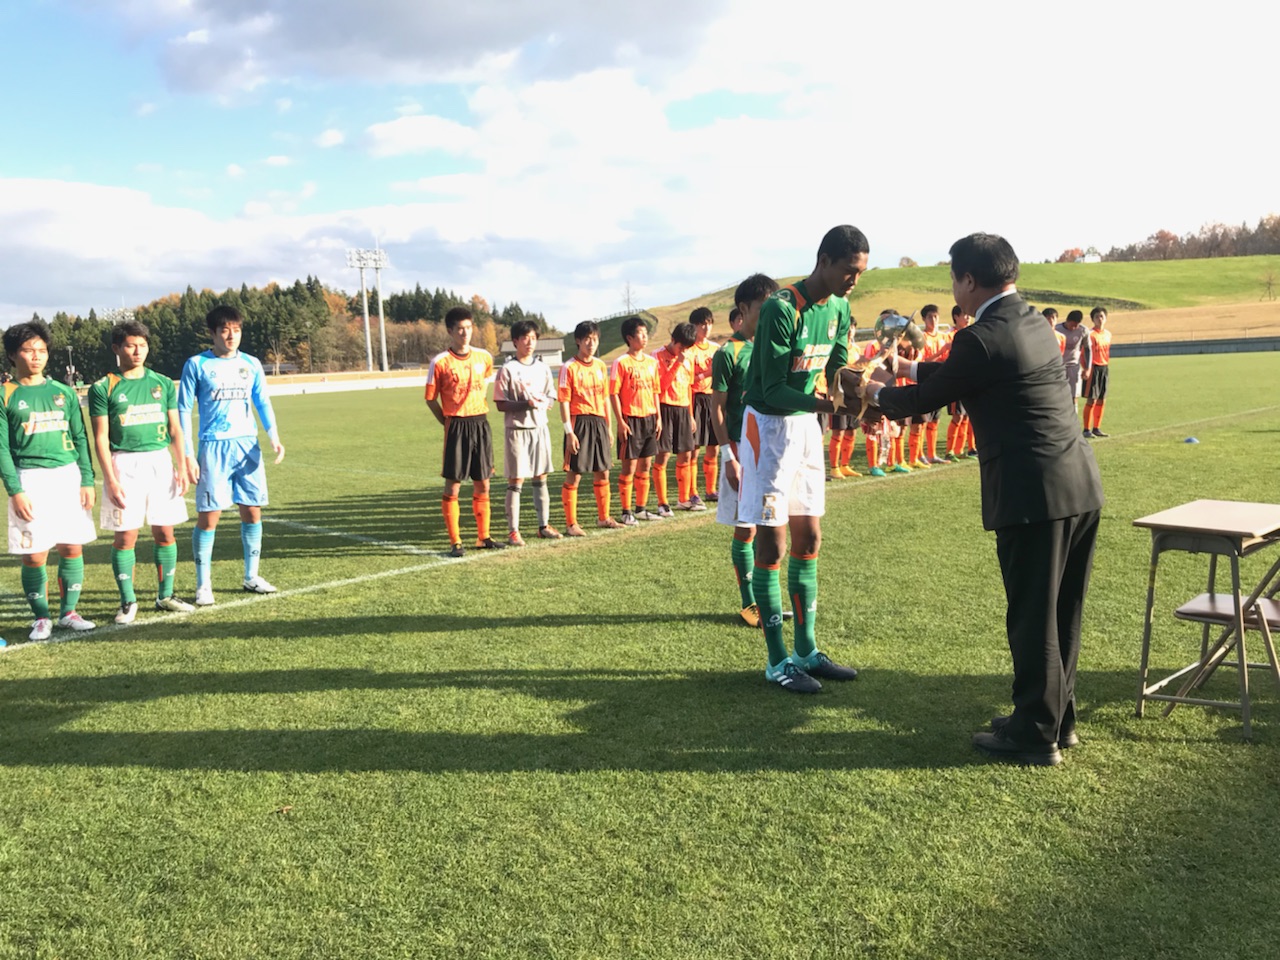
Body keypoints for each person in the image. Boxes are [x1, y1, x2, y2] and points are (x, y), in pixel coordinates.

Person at [863, 232, 1104, 765]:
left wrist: (871, 391)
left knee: (1032, 615)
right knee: (1063, 612)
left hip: (1033, 493)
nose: (954, 288)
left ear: (969, 280)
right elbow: (964, 374)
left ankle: (1033, 734)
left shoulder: (980, 337)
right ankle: (1056, 719)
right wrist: (904, 368)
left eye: (954, 278)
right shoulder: (1032, 322)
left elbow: (930, 396)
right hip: (1079, 484)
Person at [740, 224, 867, 693]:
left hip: (807, 427)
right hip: (769, 427)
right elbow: (772, 388)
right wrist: (825, 405)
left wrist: (861, 392)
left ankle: (806, 651)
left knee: (809, 537)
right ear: (824, 261)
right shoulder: (781, 308)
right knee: (772, 545)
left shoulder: (839, 307)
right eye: (850, 270)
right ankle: (777, 662)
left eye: (861, 273)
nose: (855, 280)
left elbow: (837, 366)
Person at [89, 319, 195, 624]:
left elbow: (175, 429)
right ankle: (127, 601)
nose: (138, 351)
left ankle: (166, 596)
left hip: (160, 462)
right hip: (124, 464)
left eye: (143, 345)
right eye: (131, 345)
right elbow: (100, 437)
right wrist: (110, 479)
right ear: (116, 348)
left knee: (165, 531)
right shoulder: (103, 387)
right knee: (126, 536)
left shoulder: (162, 383)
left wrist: (182, 464)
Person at [179, 305, 286, 603]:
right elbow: (183, 409)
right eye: (225, 330)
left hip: (247, 445)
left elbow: (262, 401)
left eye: (236, 330)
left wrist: (274, 436)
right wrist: (188, 454)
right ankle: (203, 585)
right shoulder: (197, 364)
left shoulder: (251, 363)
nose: (231, 336)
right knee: (209, 516)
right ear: (212, 333)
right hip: (213, 446)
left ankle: (252, 576)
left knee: (252, 510)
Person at [0, 320, 97, 641]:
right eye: (28, 350)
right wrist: (15, 490)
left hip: (68, 476)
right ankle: (41, 618)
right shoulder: (5, 395)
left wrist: (87, 479)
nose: (36, 356)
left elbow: (80, 437)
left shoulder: (64, 392)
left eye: (41, 350)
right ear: (12, 355)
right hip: (29, 479)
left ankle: (69, 613)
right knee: (34, 553)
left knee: (71, 546)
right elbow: (1, 448)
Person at [711, 274, 778, 629]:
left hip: (770, 449)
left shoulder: (774, 347)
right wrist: (728, 456)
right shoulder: (728, 353)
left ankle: (766, 600)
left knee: (770, 526)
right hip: (740, 449)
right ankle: (749, 603)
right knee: (746, 528)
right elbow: (717, 409)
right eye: (763, 308)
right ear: (744, 309)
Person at [424, 305, 503, 557]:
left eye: (468, 327)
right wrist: (446, 422)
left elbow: (486, 382)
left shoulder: (484, 357)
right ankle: (456, 542)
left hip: (480, 423)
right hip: (456, 425)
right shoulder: (440, 362)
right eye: (459, 329)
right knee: (453, 485)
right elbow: (430, 398)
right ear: (450, 331)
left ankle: (483, 537)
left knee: (484, 483)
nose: (465, 333)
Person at [493, 319, 559, 546]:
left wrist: (545, 402)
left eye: (533, 338)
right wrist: (526, 404)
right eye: (525, 338)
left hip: (540, 428)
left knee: (541, 477)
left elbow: (551, 396)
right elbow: (500, 403)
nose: (529, 342)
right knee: (516, 480)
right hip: (517, 430)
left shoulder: (542, 368)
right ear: (515, 341)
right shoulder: (507, 369)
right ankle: (513, 531)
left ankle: (543, 526)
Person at [558, 321, 621, 535]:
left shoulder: (600, 366)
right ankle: (571, 524)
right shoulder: (569, 367)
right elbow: (564, 401)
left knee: (603, 472)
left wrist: (609, 427)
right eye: (586, 339)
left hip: (599, 422)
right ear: (578, 341)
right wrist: (569, 432)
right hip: (579, 422)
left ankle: (604, 517)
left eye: (594, 339)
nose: (591, 343)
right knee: (574, 474)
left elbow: (605, 398)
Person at [609, 316, 663, 525]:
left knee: (646, 466)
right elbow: (613, 393)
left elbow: (656, 391)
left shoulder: (652, 363)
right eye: (641, 333)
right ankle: (626, 511)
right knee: (629, 468)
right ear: (630, 338)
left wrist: (658, 417)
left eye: (646, 333)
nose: (645, 337)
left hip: (649, 418)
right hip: (631, 420)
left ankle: (641, 508)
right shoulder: (621, 362)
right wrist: (620, 421)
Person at [653, 322, 699, 517]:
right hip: (665, 407)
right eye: (681, 347)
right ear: (673, 340)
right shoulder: (657, 356)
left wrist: (690, 414)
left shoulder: (689, 357)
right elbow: (660, 386)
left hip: (683, 409)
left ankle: (683, 499)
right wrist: (677, 363)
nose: (684, 351)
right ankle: (662, 503)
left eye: (687, 348)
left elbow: (689, 387)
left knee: (686, 454)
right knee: (663, 455)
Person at [686, 307, 718, 506]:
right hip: (695, 399)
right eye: (701, 324)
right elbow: (687, 380)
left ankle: (711, 489)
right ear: (694, 326)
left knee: (713, 447)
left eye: (709, 323)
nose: (706, 328)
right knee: (694, 449)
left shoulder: (716, 348)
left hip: (713, 398)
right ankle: (692, 491)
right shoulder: (689, 350)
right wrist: (707, 373)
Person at [911, 304, 949, 467]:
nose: (933, 320)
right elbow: (922, 362)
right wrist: (940, 352)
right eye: (930, 317)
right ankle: (919, 454)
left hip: (940, 382)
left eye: (935, 316)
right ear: (923, 319)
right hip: (926, 382)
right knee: (922, 421)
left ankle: (932, 454)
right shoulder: (922, 338)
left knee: (935, 420)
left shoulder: (943, 336)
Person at [1081, 307, 1112, 438]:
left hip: (1104, 368)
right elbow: (1083, 353)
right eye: (1097, 317)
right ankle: (1086, 429)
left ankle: (1097, 428)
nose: (1100, 319)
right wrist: (1086, 368)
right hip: (1093, 368)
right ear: (1092, 319)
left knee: (1101, 399)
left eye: (1102, 316)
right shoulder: (1090, 334)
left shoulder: (1108, 334)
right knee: (1091, 399)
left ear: (1105, 318)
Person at [1055, 309, 1091, 416]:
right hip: (1059, 367)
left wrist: (1088, 368)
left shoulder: (1083, 330)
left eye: (1076, 325)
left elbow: (1088, 349)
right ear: (1067, 321)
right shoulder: (1057, 330)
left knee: (1074, 396)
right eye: (1072, 325)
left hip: (1074, 366)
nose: (1074, 328)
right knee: (1058, 396)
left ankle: (1073, 419)